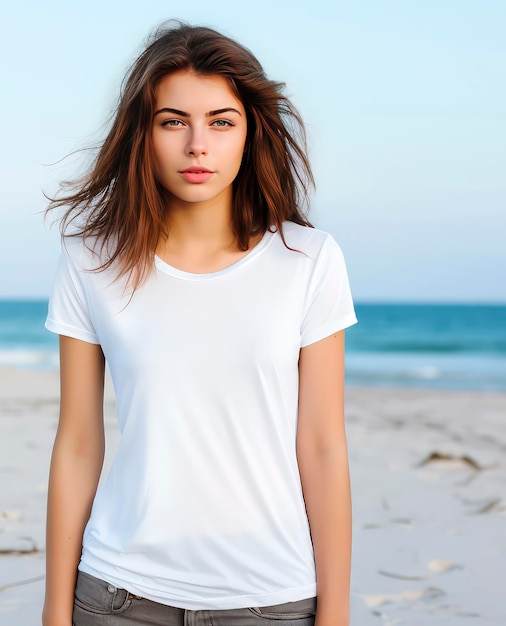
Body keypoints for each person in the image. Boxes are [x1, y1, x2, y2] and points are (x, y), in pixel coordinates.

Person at [43, 21, 357, 626]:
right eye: (172, 121)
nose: (197, 145)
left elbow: (321, 446)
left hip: (272, 600)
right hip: (118, 596)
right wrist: (56, 613)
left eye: (221, 121)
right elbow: (78, 444)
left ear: (249, 134)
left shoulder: (308, 259)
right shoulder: (90, 260)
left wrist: (335, 613)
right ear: (144, 134)